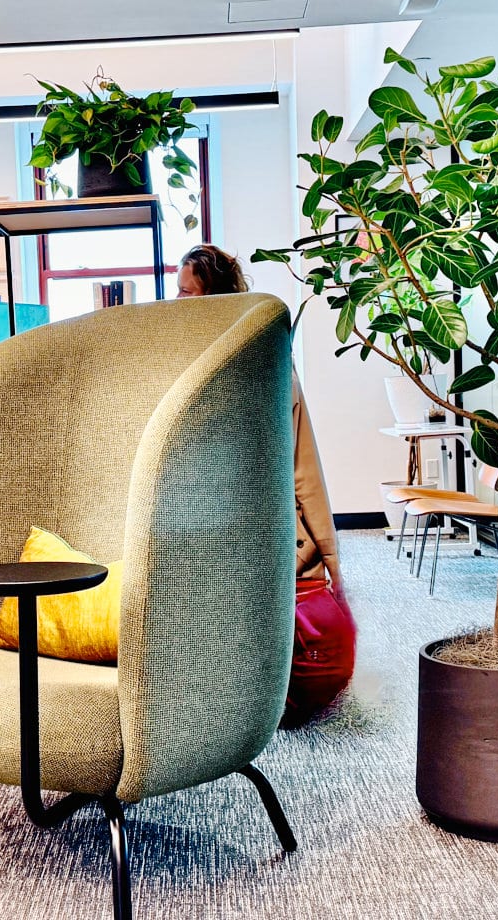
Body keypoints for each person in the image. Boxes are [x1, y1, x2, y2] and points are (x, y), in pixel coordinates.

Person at [176, 245, 355, 725]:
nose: (176, 303)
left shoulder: (268, 366)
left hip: (258, 531)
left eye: (186, 293)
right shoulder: (181, 364)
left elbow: (303, 467)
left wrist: (329, 557)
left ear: (215, 298)